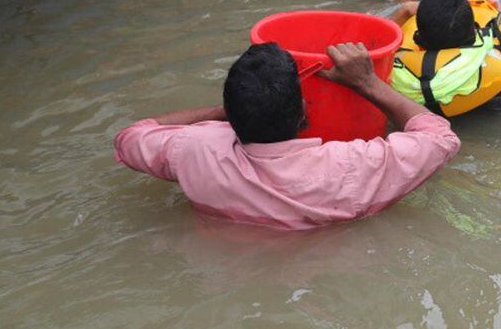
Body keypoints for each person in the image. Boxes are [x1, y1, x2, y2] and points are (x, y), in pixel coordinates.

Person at [113, 42, 460, 230]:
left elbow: (131, 136)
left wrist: (224, 113)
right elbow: (440, 138)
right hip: (324, 280)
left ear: (231, 116)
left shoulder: (194, 150)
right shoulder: (347, 167)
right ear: (304, 115)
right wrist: (367, 82)